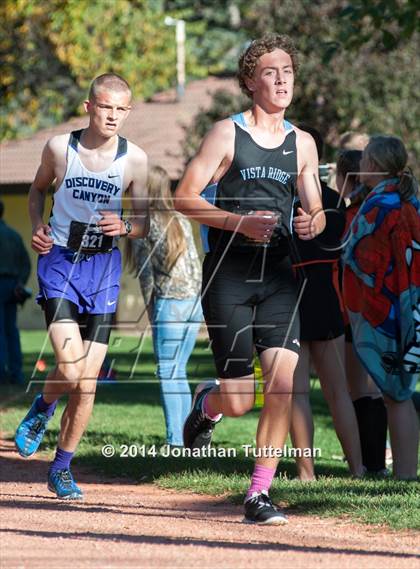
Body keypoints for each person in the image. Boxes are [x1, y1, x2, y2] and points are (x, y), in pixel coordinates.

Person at [175, 34, 326, 524]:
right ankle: (209, 404)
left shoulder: (302, 142)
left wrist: (313, 221)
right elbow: (185, 197)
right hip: (229, 276)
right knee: (239, 400)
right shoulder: (226, 135)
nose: (282, 79)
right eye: (270, 72)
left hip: (280, 277)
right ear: (249, 82)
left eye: (288, 71)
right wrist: (237, 222)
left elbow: (316, 206)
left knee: (282, 385)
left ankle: (258, 494)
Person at [14, 73, 149, 500]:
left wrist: (126, 225)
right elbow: (37, 192)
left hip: (104, 270)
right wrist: (37, 226)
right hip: (60, 264)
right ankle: (44, 406)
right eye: (105, 106)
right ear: (89, 106)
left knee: (87, 382)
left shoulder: (135, 159)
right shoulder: (59, 148)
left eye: (121, 109)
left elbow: (145, 221)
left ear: (128, 112)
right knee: (71, 369)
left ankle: (61, 468)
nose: (112, 116)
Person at [342, 135, 419, 479]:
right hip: (411, 308)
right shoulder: (411, 201)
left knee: (396, 395)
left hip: (387, 314)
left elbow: (356, 262)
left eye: (363, 162)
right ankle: (406, 473)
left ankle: (405, 475)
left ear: (372, 166)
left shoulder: (376, 206)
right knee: (401, 393)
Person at [289, 127, 364, 480]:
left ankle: (307, 474)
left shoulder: (278, 198)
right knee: (339, 393)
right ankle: (358, 469)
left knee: (297, 393)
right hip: (326, 298)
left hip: (290, 299)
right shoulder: (337, 201)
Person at [126, 165, 202, 447]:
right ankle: (187, 437)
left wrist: (150, 311)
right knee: (178, 371)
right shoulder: (179, 218)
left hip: (170, 304)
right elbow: (194, 260)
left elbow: (146, 276)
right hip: (194, 301)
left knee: (168, 373)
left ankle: (175, 441)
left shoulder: (143, 223)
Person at [336, 149, 388, 475]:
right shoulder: (381, 209)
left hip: (354, 309)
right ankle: (376, 464)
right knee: (375, 390)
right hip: (383, 310)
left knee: (359, 389)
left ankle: (369, 464)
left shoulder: (351, 214)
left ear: (346, 180)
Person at [0, 200, 31, 384]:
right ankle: (16, 372)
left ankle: (2, 373)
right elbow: (26, 264)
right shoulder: (14, 235)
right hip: (13, 286)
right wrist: (20, 283)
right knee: (11, 329)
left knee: (0, 330)